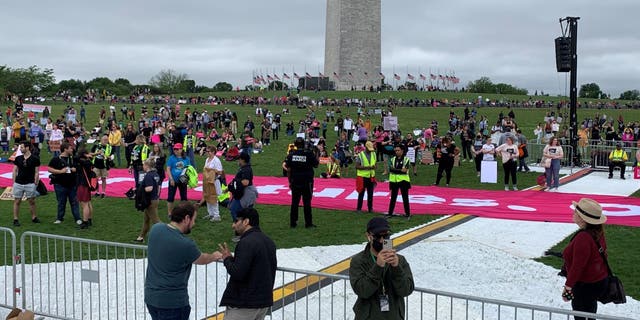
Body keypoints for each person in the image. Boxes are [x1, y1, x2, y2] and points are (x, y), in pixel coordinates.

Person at [144, 203, 219, 320]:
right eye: (194, 220)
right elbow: (202, 259)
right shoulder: (186, 244)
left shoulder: (156, 229)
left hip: (151, 298)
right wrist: (214, 256)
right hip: (173, 303)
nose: (194, 224)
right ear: (187, 218)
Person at [213, 208, 277, 320]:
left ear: (246, 221)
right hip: (263, 303)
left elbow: (238, 272)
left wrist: (227, 259)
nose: (233, 226)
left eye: (236, 221)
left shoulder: (246, 242)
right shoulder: (269, 241)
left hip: (245, 305)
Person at [349, 217, 414, 320]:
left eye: (386, 236)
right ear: (369, 236)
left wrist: (396, 268)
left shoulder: (399, 260)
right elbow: (362, 291)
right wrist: (378, 266)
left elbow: (406, 290)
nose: (382, 240)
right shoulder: (358, 261)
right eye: (378, 236)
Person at [561, 198, 609, 320]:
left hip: (585, 285)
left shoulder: (583, 237)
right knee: (590, 312)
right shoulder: (598, 232)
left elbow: (578, 266)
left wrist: (568, 288)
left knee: (580, 315)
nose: (573, 213)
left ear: (583, 218)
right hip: (597, 282)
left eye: (576, 212)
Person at [284, 137, 319, 228]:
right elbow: (316, 165)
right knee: (307, 202)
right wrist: (316, 154)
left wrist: (290, 182)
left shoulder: (291, 155)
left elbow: (288, 169)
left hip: (295, 181)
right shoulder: (309, 154)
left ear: (295, 145)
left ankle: (293, 222)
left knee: (294, 202)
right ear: (304, 144)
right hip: (307, 182)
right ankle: (308, 223)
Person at [48, 142, 82, 225]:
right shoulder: (56, 159)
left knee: (74, 202)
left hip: (72, 185)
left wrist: (75, 169)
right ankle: (59, 218)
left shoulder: (73, 159)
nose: (72, 149)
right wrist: (60, 171)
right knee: (61, 202)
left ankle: (77, 218)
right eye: (70, 148)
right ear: (65, 149)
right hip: (60, 185)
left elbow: (79, 168)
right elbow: (49, 169)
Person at [12, 141, 40, 226]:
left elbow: (37, 172)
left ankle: (34, 217)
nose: (20, 149)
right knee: (17, 201)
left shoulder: (35, 159)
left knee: (31, 201)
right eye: (20, 147)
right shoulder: (18, 158)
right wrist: (14, 182)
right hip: (19, 183)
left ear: (27, 148)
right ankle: (15, 219)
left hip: (30, 183)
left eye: (22, 147)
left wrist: (35, 182)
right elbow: (14, 170)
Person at [228, 152, 257, 223]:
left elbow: (246, 182)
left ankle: (241, 226)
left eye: (239, 159)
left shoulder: (246, 169)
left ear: (243, 160)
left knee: (235, 209)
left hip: (246, 193)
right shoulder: (244, 168)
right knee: (243, 212)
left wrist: (235, 183)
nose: (238, 161)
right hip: (242, 192)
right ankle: (245, 227)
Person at [136, 159, 160, 242]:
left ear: (147, 166)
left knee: (156, 221)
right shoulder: (155, 174)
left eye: (144, 165)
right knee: (146, 219)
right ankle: (141, 237)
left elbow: (149, 188)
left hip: (150, 201)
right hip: (154, 198)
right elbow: (158, 187)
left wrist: (141, 190)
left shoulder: (148, 176)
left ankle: (168, 235)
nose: (143, 166)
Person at [199, 145, 223, 222]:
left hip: (214, 181)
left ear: (213, 152)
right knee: (207, 196)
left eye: (208, 151)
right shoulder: (207, 159)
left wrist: (213, 171)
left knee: (213, 197)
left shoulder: (216, 160)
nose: (207, 153)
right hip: (207, 181)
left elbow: (220, 172)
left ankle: (216, 215)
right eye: (206, 151)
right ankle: (211, 213)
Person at [166, 143, 191, 216]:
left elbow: (189, 168)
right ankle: (170, 213)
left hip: (183, 179)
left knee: (184, 197)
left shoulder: (186, 158)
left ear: (181, 149)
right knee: (170, 197)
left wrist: (187, 178)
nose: (176, 151)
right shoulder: (172, 158)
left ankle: (184, 212)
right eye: (174, 149)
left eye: (177, 149)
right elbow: (168, 169)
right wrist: (171, 179)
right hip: (173, 179)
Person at [387, 145, 411, 218]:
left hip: (403, 181)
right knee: (393, 198)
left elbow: (405, 171)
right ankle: (390, 213)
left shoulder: (406, 159)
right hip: (394, 181)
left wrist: (396, 170)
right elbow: (390, 169)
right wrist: (400, 170)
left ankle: (407, 214)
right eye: (396, 150)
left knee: (405, 198)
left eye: (398, 150)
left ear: (402, 151)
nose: (396, 152)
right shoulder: (392, 159)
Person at [355, 141, 377, 213]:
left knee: (370, 193)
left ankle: (370, 208)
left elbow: (375, 164)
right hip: (362, 177)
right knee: (361, 193)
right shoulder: (360, 155)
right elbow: (357, 166)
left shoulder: (374, 154)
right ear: (366, 147)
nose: (370, 151)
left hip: (371, 176)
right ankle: (359, 208)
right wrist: (367, 167)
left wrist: (374, 167)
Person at [76, 149, 95, 229]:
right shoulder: (89, 162)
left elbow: (75, 157)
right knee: (88, 203)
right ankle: (89, 219)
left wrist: (84, 155)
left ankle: (85, 222)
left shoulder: (83, 162)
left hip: (82, 184)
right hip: (87, 184)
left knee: (84, 204)